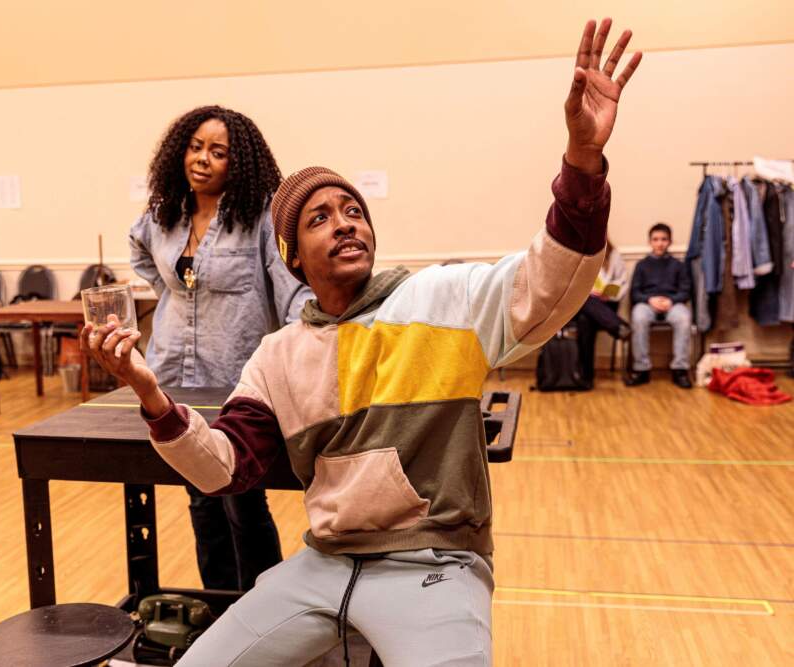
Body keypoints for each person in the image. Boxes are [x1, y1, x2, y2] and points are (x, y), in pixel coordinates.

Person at [86, 18, 640, 666]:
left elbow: (551, 282)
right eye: (320, 218)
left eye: (354, 212)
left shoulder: (443, 300)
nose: (345, 223)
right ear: (293, 256)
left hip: (436, 565)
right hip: (323, 565)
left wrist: (582, 161)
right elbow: (223, 468)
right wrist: (151, 394)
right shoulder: (279, 356)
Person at [129, 105, 312, 591]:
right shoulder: (164, 215)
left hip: (238, 383)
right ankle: (219, 603)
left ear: (240, 162)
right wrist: (178, 297)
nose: (202, 159)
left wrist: (307, 348)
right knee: (201, 500)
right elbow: (141, 253)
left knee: (243, 501)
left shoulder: (260, 217)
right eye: (195, 147)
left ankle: (263, 606)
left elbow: (292, 291)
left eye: (217, 151)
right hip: (174, 379)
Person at [625, 223, 693, 388]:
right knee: (638, 317)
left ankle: (680, 370)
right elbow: (635, 293)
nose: (660, 243)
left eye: (664, 239)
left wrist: (671, 301)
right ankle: (641, 369)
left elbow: (685, 291)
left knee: (684, 318)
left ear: (669, 241)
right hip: (647, 304)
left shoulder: (678, 265)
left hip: (673, 304)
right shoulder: (642, 265)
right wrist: (650, 300)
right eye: (656, 239)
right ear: (650, 242)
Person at [572, 237, 630, 387]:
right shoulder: (575, 254)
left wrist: (608, 294)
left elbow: (623, 281)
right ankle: (618, 326)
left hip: (607, 304)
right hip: (582, 303)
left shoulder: (613, 255)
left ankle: (586, 377)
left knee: (585, 321)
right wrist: (589, 291)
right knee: (585, 302)